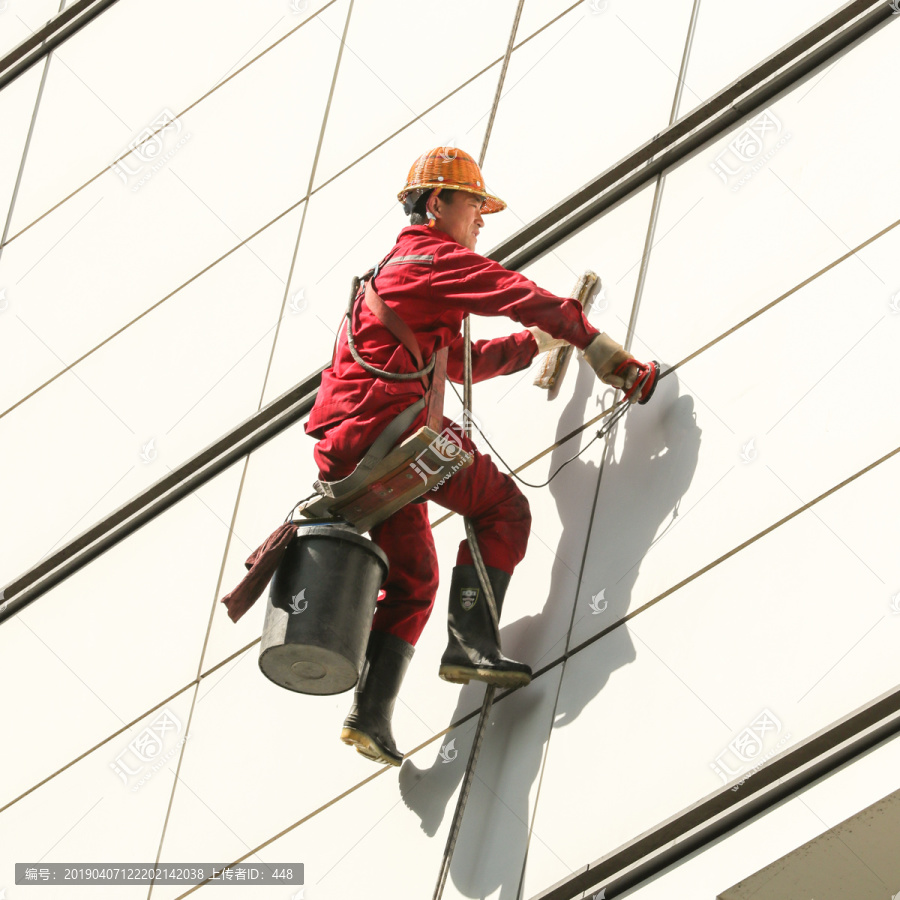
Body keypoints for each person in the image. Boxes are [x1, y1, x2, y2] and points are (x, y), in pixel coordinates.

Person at [304, 147, 653, 766]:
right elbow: (512, 290)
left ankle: (369, 714)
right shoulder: (432, 257)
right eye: (474, 206)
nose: (481, 222)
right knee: (504, 511)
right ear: (436, 204)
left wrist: (535, 342)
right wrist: (601, 349)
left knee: (414, 578)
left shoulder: (394, 272)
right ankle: (470, 646)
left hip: (356, 456)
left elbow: (460, 364)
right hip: (394, 438)